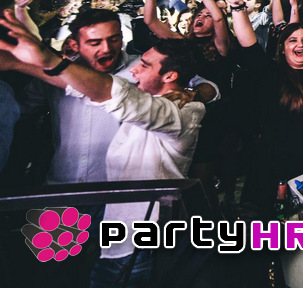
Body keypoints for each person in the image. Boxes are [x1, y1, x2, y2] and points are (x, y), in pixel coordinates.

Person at [0, 15, 205, 288]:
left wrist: (43, 60)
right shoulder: (147, 95)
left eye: (114, 39)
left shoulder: (180, 108)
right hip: (65, 193)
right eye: (95, 42)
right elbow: (81, 92)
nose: (135, 69)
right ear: (76, 43)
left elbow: (118, 95)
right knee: (50, 274)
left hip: (134, 221)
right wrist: (23, 63)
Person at [212, 0, 303, 219]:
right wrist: (237, 6)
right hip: (273, 170)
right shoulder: (272, 74)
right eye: (292, 40)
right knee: (272, 229)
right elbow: (249, 46)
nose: (300, 44)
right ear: (283, 48)